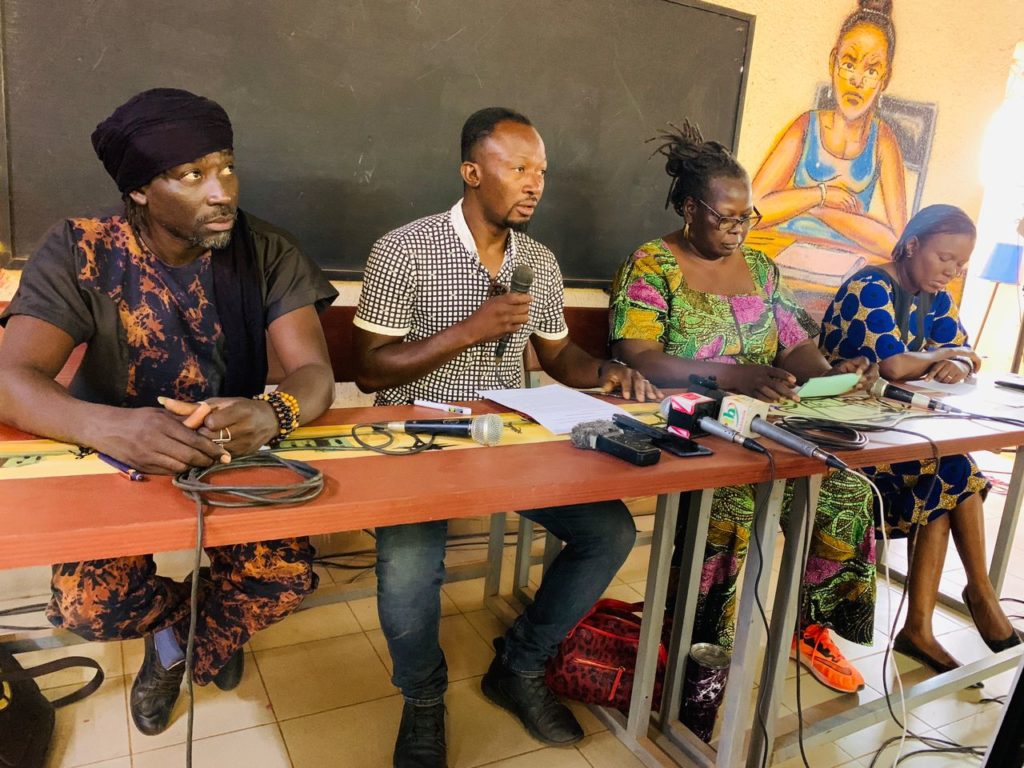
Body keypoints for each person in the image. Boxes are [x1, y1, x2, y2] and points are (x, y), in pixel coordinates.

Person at [0, 88, 338, 735]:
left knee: (284, 579)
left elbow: (313, 374)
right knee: (88, 609)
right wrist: (108, 424)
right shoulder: (80, 250)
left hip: (229, 460)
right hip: (113, 461)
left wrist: (274, 412)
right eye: (192, 175)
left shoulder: (266, 250)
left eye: (227, 166)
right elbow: (11, 379)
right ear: (140, 191)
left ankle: (178, 648)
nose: (222, 190)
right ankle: (190, 628)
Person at [353, 107, 657, 768]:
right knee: (408, 571)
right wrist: (470, 329)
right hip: (420, 439)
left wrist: (606, 370)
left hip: (510, 437)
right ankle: (424, 700)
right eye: (518, 167)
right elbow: (368, 367)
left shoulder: (539, 263)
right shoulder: (404, 249)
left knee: (611, 532)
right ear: (470, 171)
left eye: (541, 171)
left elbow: (557, 359)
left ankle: (517, 667)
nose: (535, 183)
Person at [609, 120, 879, 695]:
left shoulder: (761, 270)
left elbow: (794, 344)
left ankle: (810, 623)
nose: (737, 230)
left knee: (847, 485)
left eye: (745, 217)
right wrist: (736, 376)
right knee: (732, 498)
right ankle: (702, 653)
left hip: (762, 416)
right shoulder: (652, 264)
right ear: (688, 207)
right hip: (688, 419)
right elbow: (641, 357)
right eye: (724, 216)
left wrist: (832, 377)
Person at [820, 204, 1022, 672]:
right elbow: (893, 366)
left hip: (894, 436)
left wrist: (959, 359)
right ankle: (974, 596)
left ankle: (926, 626)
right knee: (953, 472)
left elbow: (967, 349)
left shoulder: (932, 294)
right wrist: (944, 354)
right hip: (843, 442)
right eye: (944, 258)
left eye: (960, 266)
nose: (950, 272)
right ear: (912, 245)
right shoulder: (871, 286)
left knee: (948, 470)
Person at [751, 0, 907, 317]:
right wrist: (820, 194)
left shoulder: (883, 142)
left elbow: (898, 246)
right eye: (849, 64)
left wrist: (822, 210)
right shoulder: (805, 127)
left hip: (842, 283)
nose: (857, 81)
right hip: (785, 273)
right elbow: (752, 211)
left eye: (872, 69)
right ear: (833, 61)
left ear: (885, 78)